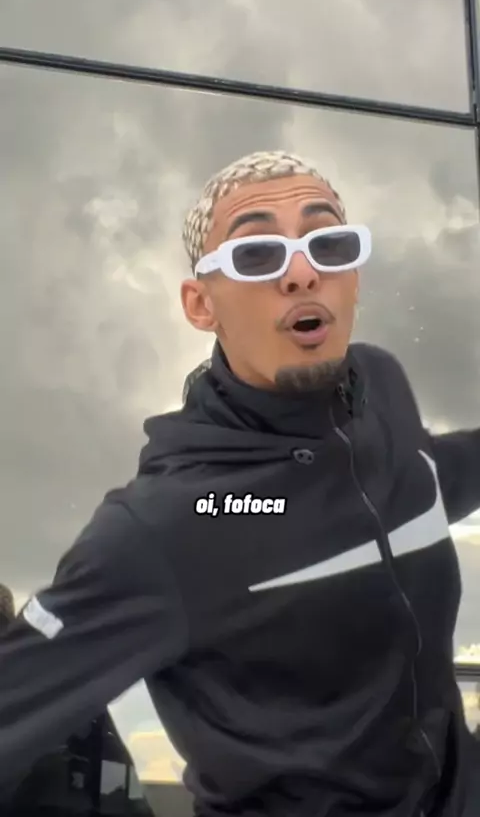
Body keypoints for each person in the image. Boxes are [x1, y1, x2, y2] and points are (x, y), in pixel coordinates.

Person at [0, 149, 479, 817]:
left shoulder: (380, 386)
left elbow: (420, 479)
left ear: (354, 277)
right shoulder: (165, 527)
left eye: (329, 243)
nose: (303, 272)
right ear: (201, 305)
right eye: (256, 255)